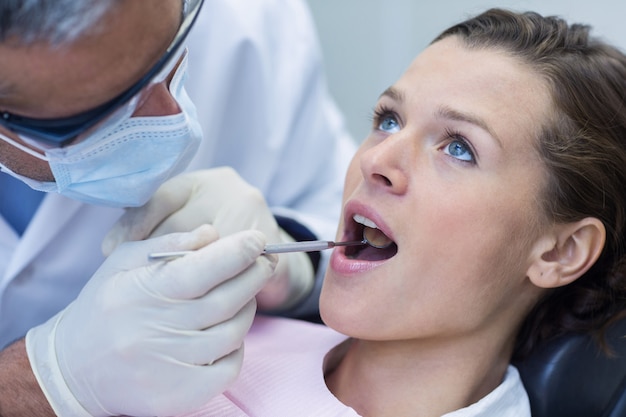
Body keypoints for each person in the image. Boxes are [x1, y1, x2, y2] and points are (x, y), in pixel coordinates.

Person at [172, 8, 626, 416]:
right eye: (389, 120)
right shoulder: (195, 340)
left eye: (458, 149)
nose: (376, 160)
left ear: (561, 252)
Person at [0, 0, 354, 416]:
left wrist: (294, 252)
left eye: (172, 48)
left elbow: (339, 210)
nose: (174, 118)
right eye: (103, 111)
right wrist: (49, 379)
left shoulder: (249, 18)